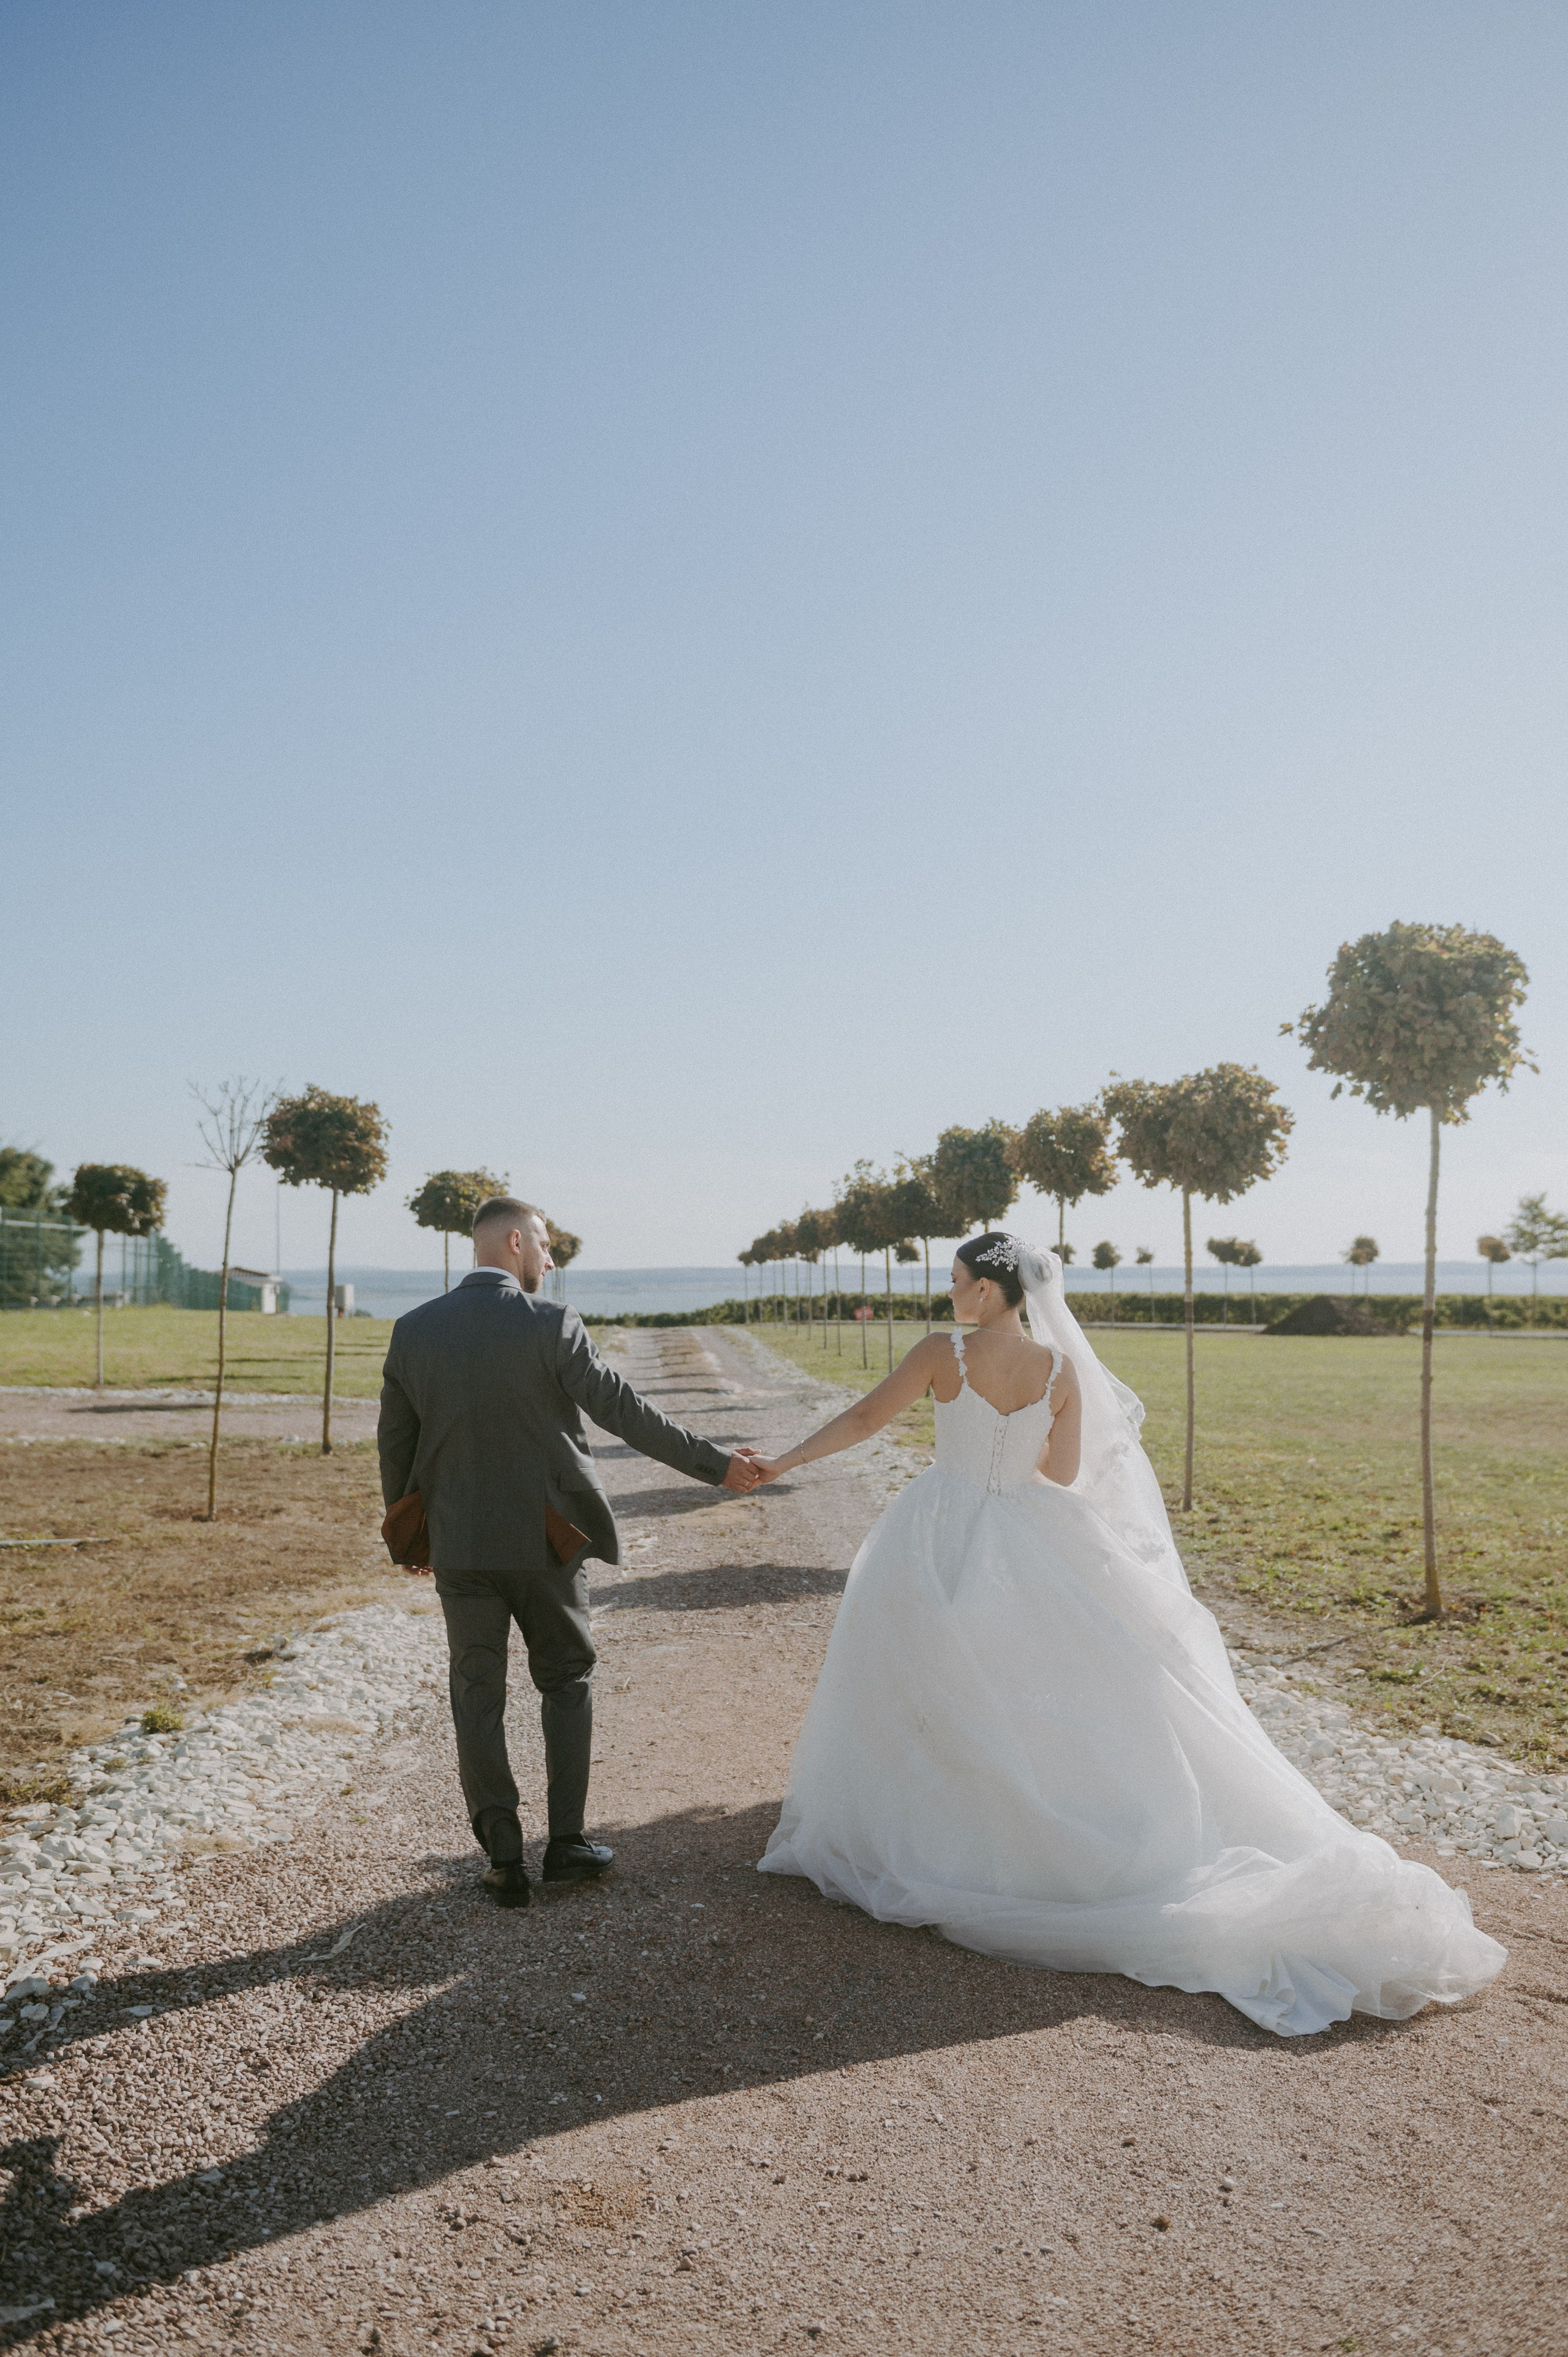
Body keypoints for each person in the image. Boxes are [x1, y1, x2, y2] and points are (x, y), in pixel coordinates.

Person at [750, 1234, 1506, 2037]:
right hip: (1031, 1526)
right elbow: (1066, 1477)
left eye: (959, 1281)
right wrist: (1012, 1464)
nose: (951, 1292)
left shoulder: (946, 1353)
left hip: (942, 1526)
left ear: (989, 1292)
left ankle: (942, 1828)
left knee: (939, 1676)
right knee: (1032, 1682)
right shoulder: (1061, 1369)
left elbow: (869, 1416)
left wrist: (786, 1459)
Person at [378, 1195, 764, 1908]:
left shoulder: (411, 1330)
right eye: (547, 1246)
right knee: (566, 1680)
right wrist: (716, 1464)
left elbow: (396, 1447)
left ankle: (500, 1853)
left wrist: (412, 1537)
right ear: (516, 1241)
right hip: (544, 1542)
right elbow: (623, 1410)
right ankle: (565, 1844)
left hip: (460, 1547)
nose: (551, 1262)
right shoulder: (551, 1324)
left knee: (476, 1692)